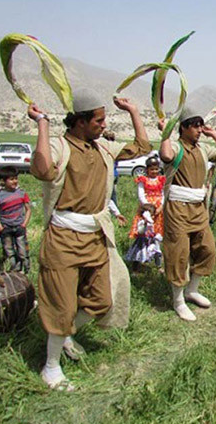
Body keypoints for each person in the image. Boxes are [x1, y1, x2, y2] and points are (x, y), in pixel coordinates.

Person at [27, 90, 149, 391]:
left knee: (101, 298)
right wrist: (42, 124)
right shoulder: (59, 146)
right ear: (80, 122)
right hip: (64, 238)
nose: (103, 125)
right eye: (99, 120)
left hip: (95, 237)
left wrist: (133, 111)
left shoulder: (103, 148)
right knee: (62, 305)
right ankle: (51, 367)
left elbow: (143, 146)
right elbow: (43, 170)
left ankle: (67, 334)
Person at [158, 108, 216, 322]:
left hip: (198, 208)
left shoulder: (202, 149)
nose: (199, 130)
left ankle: (192, 289)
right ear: (183, 127)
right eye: (195, 126)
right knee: (178, 254)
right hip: (178, 208)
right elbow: (165, 156)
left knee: (207, 248)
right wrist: (165, 132)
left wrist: (214, 134)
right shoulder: (175, 146)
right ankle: (178, 300)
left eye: (201, 126)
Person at [0, 166, 32, 273]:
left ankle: (26, 269)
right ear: (3, 181)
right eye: (11, 179)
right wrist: (1, 228)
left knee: (22, 250)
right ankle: (13, 270)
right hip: (6, 227)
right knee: (9, 251)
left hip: (19, 227)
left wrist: (24, 225)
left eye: (16, 178)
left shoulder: (22, 193)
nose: (15, 181)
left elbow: (28, 209)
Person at [128, 156, 165, 260]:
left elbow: (163, 194)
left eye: (156, 169)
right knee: (143, 234)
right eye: (152, 169)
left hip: (158, 210)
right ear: (147, 169)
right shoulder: (143, 180)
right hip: (146, 209)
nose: (154, 171)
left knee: (157, 235)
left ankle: (157, 258)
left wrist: (160, 207)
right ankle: (139, 258)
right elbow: (141, 195)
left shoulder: (161, 180)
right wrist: (148, 208)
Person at [125, 202, 163, 269]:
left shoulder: (152, 223)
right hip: (142, 241)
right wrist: (145, 223)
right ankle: (135, 269)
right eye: (151, 215)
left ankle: (158, 266)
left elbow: (154, 231)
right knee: (138, 255)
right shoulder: (142, 222)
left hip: (150, 241)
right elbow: (140, 231)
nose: (153, 217)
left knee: (157, 253)